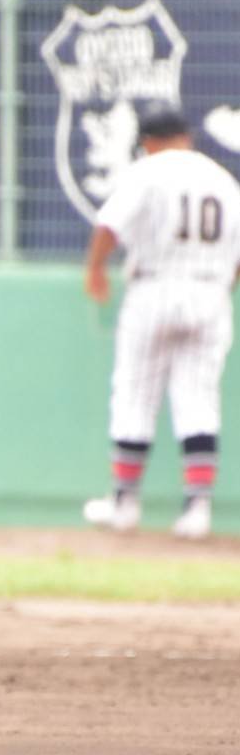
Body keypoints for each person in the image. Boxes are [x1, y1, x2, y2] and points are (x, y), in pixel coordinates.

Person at [82, 103, 240, 540]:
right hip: (210, 291)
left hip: (154, 287)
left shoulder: (148, 171)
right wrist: (223, 287)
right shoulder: (222, 179)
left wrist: (95, 270)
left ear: (148, 142)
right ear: (185, 136)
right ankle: (197, 510)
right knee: (199, 399)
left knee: (135, 393)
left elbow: (109, 225)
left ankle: (124, 504)